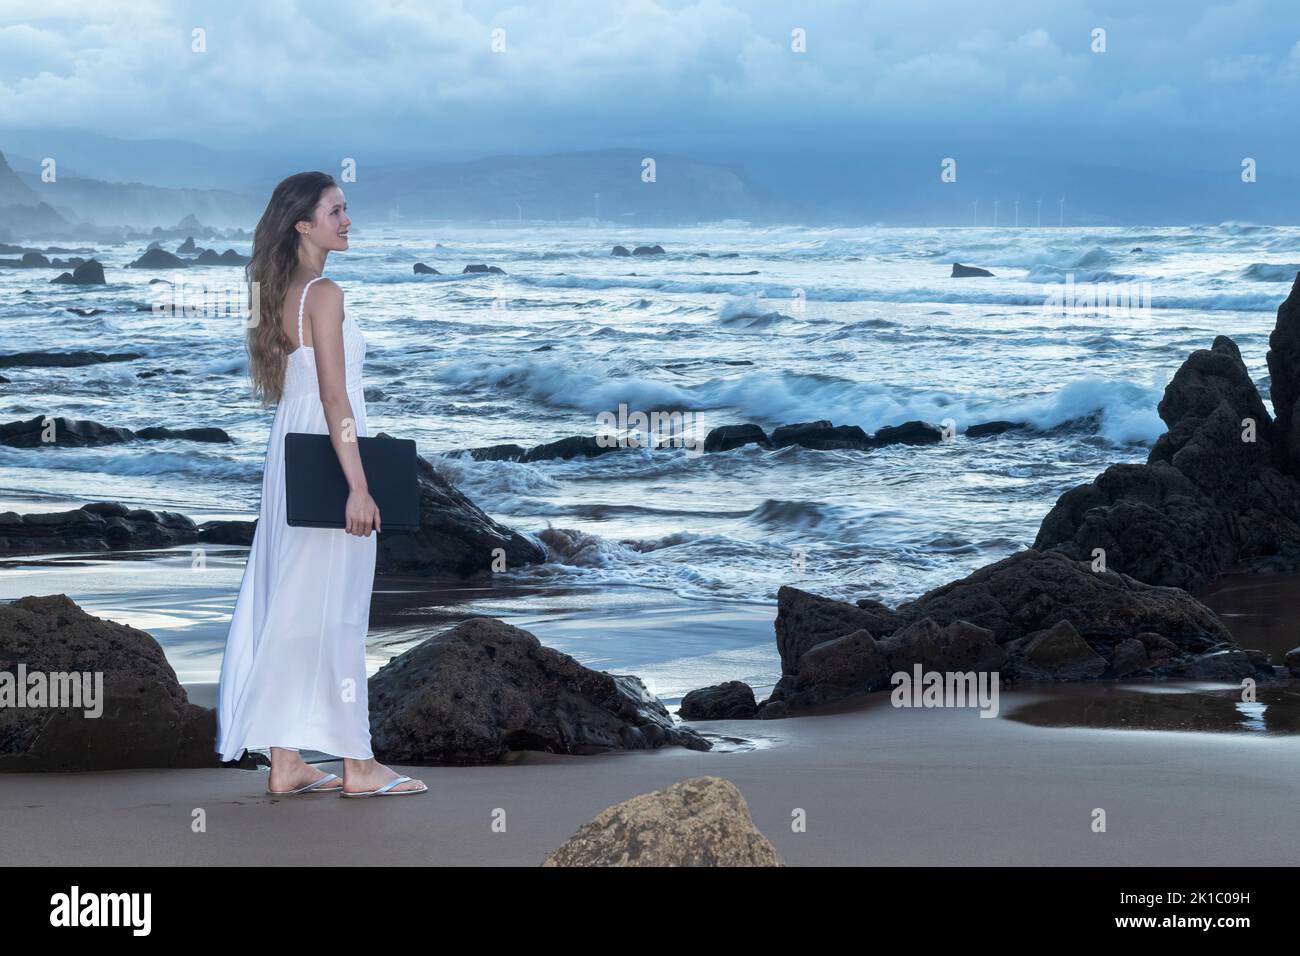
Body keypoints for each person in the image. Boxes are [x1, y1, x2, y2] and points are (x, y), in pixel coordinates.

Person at [215, 171, 426, 798]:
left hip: (294, 453)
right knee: (333, 611)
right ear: (303, 224)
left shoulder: (284, 289)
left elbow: (316, 395)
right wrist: (359, 488)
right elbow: (338, 398)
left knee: (294, 604)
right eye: (336, 211)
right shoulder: (325, 292)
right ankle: (357, 765)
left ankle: (287, 760)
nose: (348, 220)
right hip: (329, 453)